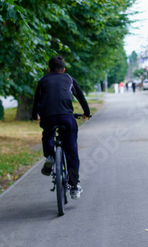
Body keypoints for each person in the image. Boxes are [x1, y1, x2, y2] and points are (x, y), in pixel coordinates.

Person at [32, 55, 91, 199]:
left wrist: (35, 115)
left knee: (47, 134)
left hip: (48, 118)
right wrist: (86, 113)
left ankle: (50, 156)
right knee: (71, 150)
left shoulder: (43, 81)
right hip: (66, 117)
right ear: (63, 69)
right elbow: (81, 97)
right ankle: (74, 186)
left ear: (49, 69)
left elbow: (36, 101)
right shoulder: (69, 78)